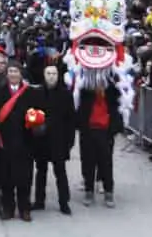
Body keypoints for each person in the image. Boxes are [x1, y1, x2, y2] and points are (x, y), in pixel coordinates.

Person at [0, 61, 43, 222]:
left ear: (21, 74)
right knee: (6, 179)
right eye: (10, 71)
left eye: (16, 71)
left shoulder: (30, 93)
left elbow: (38, 114)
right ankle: (8, 208)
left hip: (24, 142)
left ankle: (24, 209)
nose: (13, 74)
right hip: (4, 142)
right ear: (7, 74)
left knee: (24, 179)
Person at [78, 65, 124, 208]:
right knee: (88, 162)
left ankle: (108, 192)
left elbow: (117, 111)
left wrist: (113, 130)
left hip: (105, 132)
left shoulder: (112, 92)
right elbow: (79, 109)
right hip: (88, 130)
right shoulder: (85, 91)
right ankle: (89, 190)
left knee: (106, 163)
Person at [33, 64, 75, 215]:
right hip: (41, 140)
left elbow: (71, 120)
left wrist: (70, 142)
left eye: (54, 74)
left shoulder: (65, 94)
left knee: (60, 173)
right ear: (44, 75)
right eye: (48, 73)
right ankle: (39, 201)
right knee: (41, 172)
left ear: (58, 76)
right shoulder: (37, 93)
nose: (51, 76)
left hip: (59, 140)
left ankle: (64, 202)